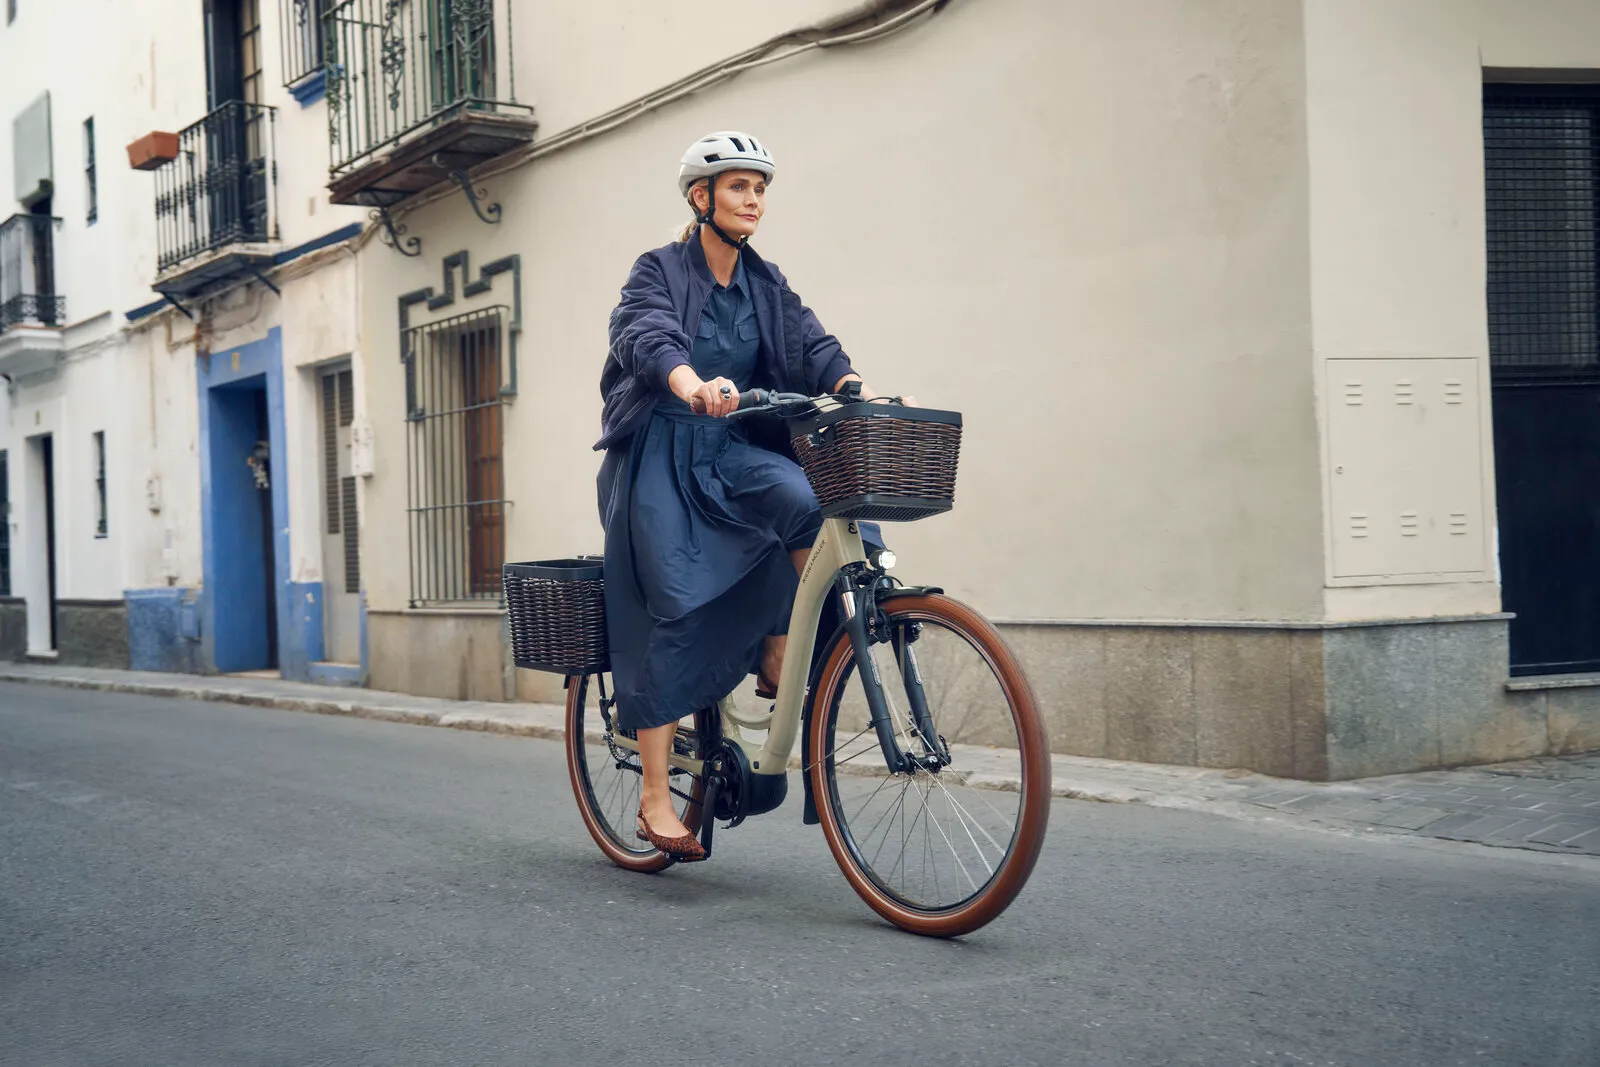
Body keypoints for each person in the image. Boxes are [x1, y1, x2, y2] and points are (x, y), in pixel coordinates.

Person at [595, 131, 892, 860]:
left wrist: (849, 383)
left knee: (817, 509)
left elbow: (810, 341)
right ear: (702, 197)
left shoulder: (766, 281)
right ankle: (656, 795)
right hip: (663, 451)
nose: (753, 198)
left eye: (760, 187)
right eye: (737, 186)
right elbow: (644, 331)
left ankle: (780, 640)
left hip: (734, 449)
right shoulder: (659, 268)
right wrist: (689, 382)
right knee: (679, 598)